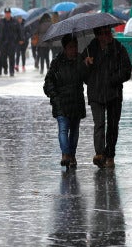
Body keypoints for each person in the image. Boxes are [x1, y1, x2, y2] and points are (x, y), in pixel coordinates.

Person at [83, 26, 132, 169]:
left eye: (108, 32)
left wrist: (112, 79)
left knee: (112, 125)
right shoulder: (90, 49)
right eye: (103, 33)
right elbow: (82, 71)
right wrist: (86, 64)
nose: (108, 35)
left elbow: (126, 71)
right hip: (96, 92)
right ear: (98, 36)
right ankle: (99, 154)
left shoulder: (118, 48)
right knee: (99, 124)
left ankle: (110, 155)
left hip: (113, 93)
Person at [43, 34, 87, 168]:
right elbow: (48, 83)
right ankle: (66, 154)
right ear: (64, 48)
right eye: (70, 47)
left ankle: (72, 155)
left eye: (75, 47)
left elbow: (87, 79)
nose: (73, 50)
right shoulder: (57, 62)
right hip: (61, 102)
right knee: (63, 130)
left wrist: (87, 65)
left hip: (76, 101)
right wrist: (54, 97)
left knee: (74, 131)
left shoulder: (81, 60)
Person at [0, 7, 23, 76]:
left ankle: (11, 71)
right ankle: (5, 68)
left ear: (10, 13)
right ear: (4, 14)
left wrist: (21, 39)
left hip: (12, 42)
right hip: (3, 43)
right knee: (4, 58)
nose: (7, 14)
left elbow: (19, 31)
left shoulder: (15, 21)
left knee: (12, 57)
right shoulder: (1, 22)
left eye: (8, 13)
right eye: (6, 13)